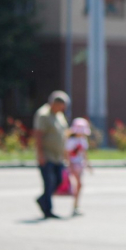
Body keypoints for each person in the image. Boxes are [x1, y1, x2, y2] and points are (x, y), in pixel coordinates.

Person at [34, 90, 70, 219]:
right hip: (47, 155)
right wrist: (40, 155)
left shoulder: (59, 115)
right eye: (62, 105)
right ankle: (47, 210)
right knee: (49, 183)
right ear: (55, 103)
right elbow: (38, 136)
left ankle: (43, 200)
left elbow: (62, 135)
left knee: (59, 180)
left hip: (58, 156)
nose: (64, 108)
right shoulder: (43, 114)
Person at [66, 117, 92, 216]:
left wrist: (88, 164)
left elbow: (84, 153)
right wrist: (69, 165)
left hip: (80, 164)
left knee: (79, 185)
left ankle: (76, 205)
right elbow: (67, 154)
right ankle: (75, 205)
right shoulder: (71, 141)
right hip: (73, 164)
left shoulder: (83, 140)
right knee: (76, 185)